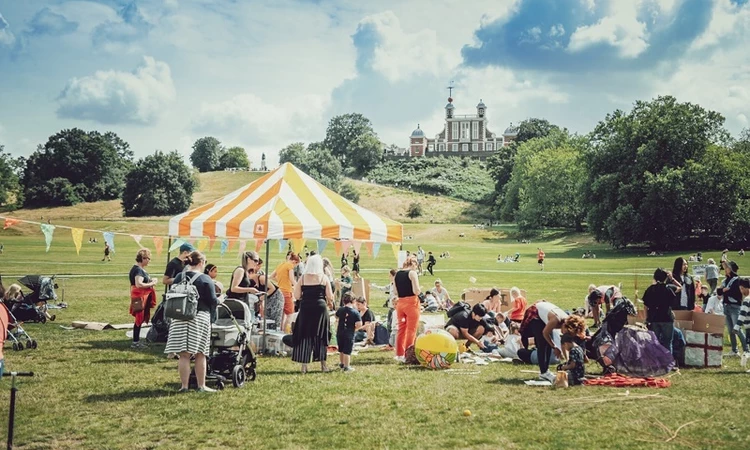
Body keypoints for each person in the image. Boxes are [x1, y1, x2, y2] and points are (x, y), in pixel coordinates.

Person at [164, 250, 223, 393]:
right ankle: (201, 385)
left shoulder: (179, 276)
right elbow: (212, 301)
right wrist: (221, 300)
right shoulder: (205, 279)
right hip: (198, 317)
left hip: (179, 317)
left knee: (183, 354)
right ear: (202, 262)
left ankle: (184, 386)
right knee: (200, 353)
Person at [291, 255, 334, 373]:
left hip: (306, 308)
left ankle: (304, 367)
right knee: (320, 335)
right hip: (320, 307)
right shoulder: (323, 278)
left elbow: (297, 295)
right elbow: (330, 296)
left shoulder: (303, 278)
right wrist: (330, 303)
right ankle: (323, 365)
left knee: (304, 334)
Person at [519, 300, 569, 383]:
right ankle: (544, 372)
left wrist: (567, 360)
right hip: (536, 314)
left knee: (549, 342)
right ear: (564, 325)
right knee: (542, 342)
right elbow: (545, 333)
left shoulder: (566, 320)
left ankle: (546, 370)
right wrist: (555, 347)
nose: (563, 332)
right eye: (565, 331)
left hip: (544, 314)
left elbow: (564, 341)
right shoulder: (555, 320)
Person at [642, 268, 678, 354]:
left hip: (654, 318)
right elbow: (680, 287)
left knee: (655, 342)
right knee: (668, 343)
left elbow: (645, 306)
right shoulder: (668, 289)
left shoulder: (650, 289)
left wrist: (646, 319)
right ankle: (668, 362)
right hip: (667, 318)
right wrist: (671, 278)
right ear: (665, 278)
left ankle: (656, 362)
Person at [393, 256, 421, 362]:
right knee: (411, 330)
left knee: (401, 329)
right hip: (411, 303)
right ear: (414, 264)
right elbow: (416, 291)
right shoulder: (412, 273)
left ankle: (399, 353)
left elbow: (395, 292)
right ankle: (408, 354)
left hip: (400, 303)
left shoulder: (397, 274)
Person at [129, 249, 158, 349]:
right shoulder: (138, 270)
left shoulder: (139, 269)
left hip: (140, 297)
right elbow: (139, 284)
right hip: (139, 297)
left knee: (139, 319)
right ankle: (135, 342)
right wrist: (152, 283)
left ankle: (136, 341)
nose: (149, 261)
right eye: (148, 259)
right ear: (143, 258)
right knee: (138, 318)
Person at [718, 260, 748, 356]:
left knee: (737, 329)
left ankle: (746, 350)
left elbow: (735, 292)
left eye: (726, 267)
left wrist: (724, 291)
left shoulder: (737, 280)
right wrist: (723, 290)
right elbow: (718, 292)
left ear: (731, 269)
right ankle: (734, 350)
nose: (725, 269)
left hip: (735, 307)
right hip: (726, 306)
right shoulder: (726, 280)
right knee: (730, 330)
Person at [247, 264, 284, 332]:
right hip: (268, 299)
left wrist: (263, 297)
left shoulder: (261, 278)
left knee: (275, 318)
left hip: (276, 297)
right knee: (267, 318)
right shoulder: (251, 282)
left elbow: (272, 288)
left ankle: (275, 331)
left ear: (251, 273)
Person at [270, 253, 298, 334]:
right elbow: (292, 279)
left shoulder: (281, 265)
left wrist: (280, 281)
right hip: (287, 291)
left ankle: (280, 331)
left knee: (281, 314)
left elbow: (271, 276)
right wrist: (298, 286)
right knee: (290, 315)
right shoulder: (290, 266)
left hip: (279, 291)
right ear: (294, 261)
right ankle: (286, 332)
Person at [336, 293, 361, 372]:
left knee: (341, 349)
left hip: (340, 332)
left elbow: (336, 317)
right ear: (354, 301)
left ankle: (342, 363)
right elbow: (359, 324)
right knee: (347, 350)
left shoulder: (340, 310)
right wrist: (355, 328)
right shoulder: (355, 312)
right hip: (349, 332)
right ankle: (347, 366)